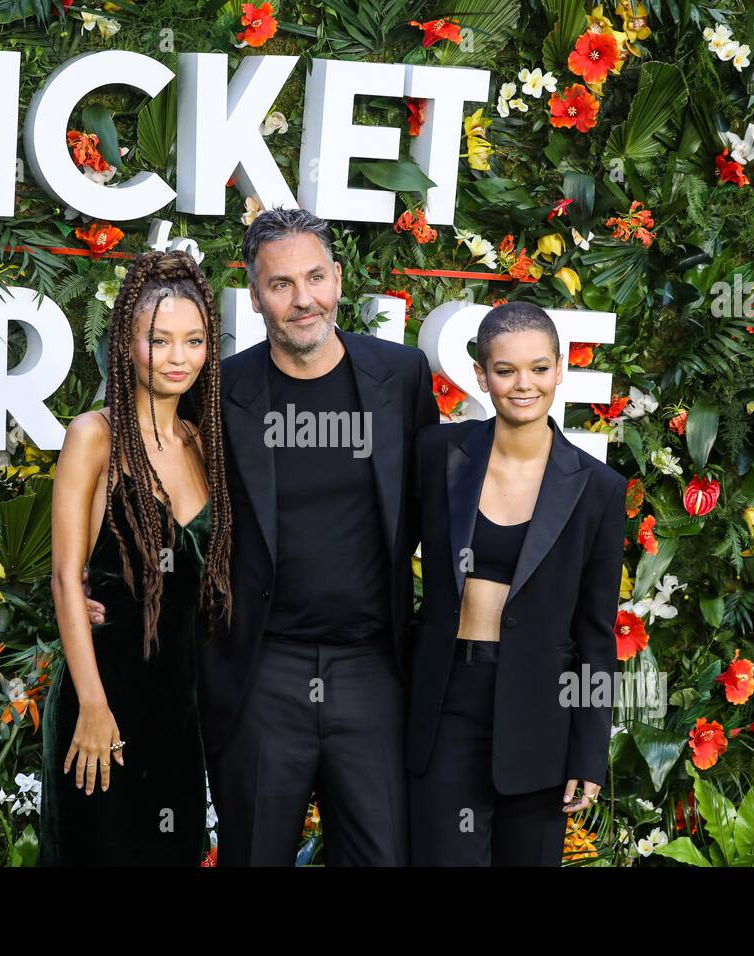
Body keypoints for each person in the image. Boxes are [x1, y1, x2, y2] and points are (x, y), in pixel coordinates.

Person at [197, 207, 438, 865]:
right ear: (254, 294)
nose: (303, 300)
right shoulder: (220, 392)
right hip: (262, 672)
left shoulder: (402, 376)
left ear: (338, 277)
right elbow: (176, 510)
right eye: (281, 284)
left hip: (372, 672)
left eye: (315, 278)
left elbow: (431, 509)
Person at [406, 301, 626, 866]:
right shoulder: (438, 455)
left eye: (539, 368)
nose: (523, 384)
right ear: (481, 376)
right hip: (447, 701)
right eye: (505, 370)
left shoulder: (598, 488)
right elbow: (384, 561)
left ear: (560, 371)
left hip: (540, 717)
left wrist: (588, 752)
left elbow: (597, 635)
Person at [40, 250, 232, 866]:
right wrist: (93, 708)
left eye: (194, 340)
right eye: (160, 340)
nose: (178, 357)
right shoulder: (93, 436)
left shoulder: (205, 443)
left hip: (180, 709)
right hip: (106, 695)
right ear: (126, 342)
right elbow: (67, 579)